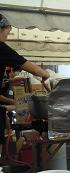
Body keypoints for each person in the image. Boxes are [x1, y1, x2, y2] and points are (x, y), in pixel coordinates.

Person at [0, 14, 50, 154]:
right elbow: (30, 67)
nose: (7, 37)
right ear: (1, 28)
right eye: (7, 33)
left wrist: (10, 104)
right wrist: (45, 74)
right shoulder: (1, 48)